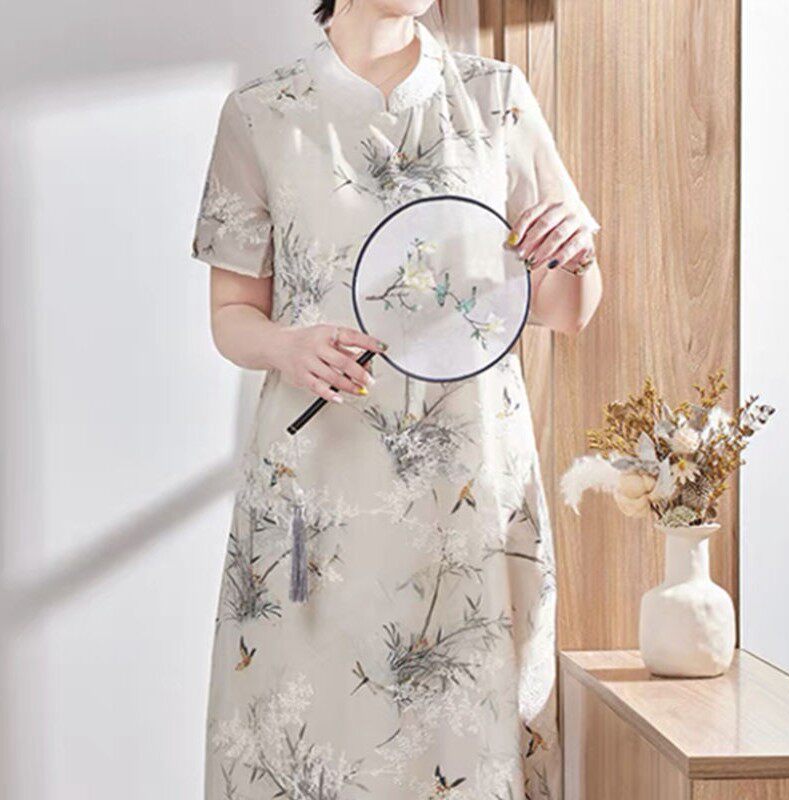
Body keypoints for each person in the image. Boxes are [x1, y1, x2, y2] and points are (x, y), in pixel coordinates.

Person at [190, 1, 602, 797]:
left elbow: (564, 310)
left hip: (468, 485)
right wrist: (288, 345)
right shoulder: (263, 114)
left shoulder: (494, 97)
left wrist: (574, 252)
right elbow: (231, 314)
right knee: (313, 730)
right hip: (321, 489)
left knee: (465, 737)